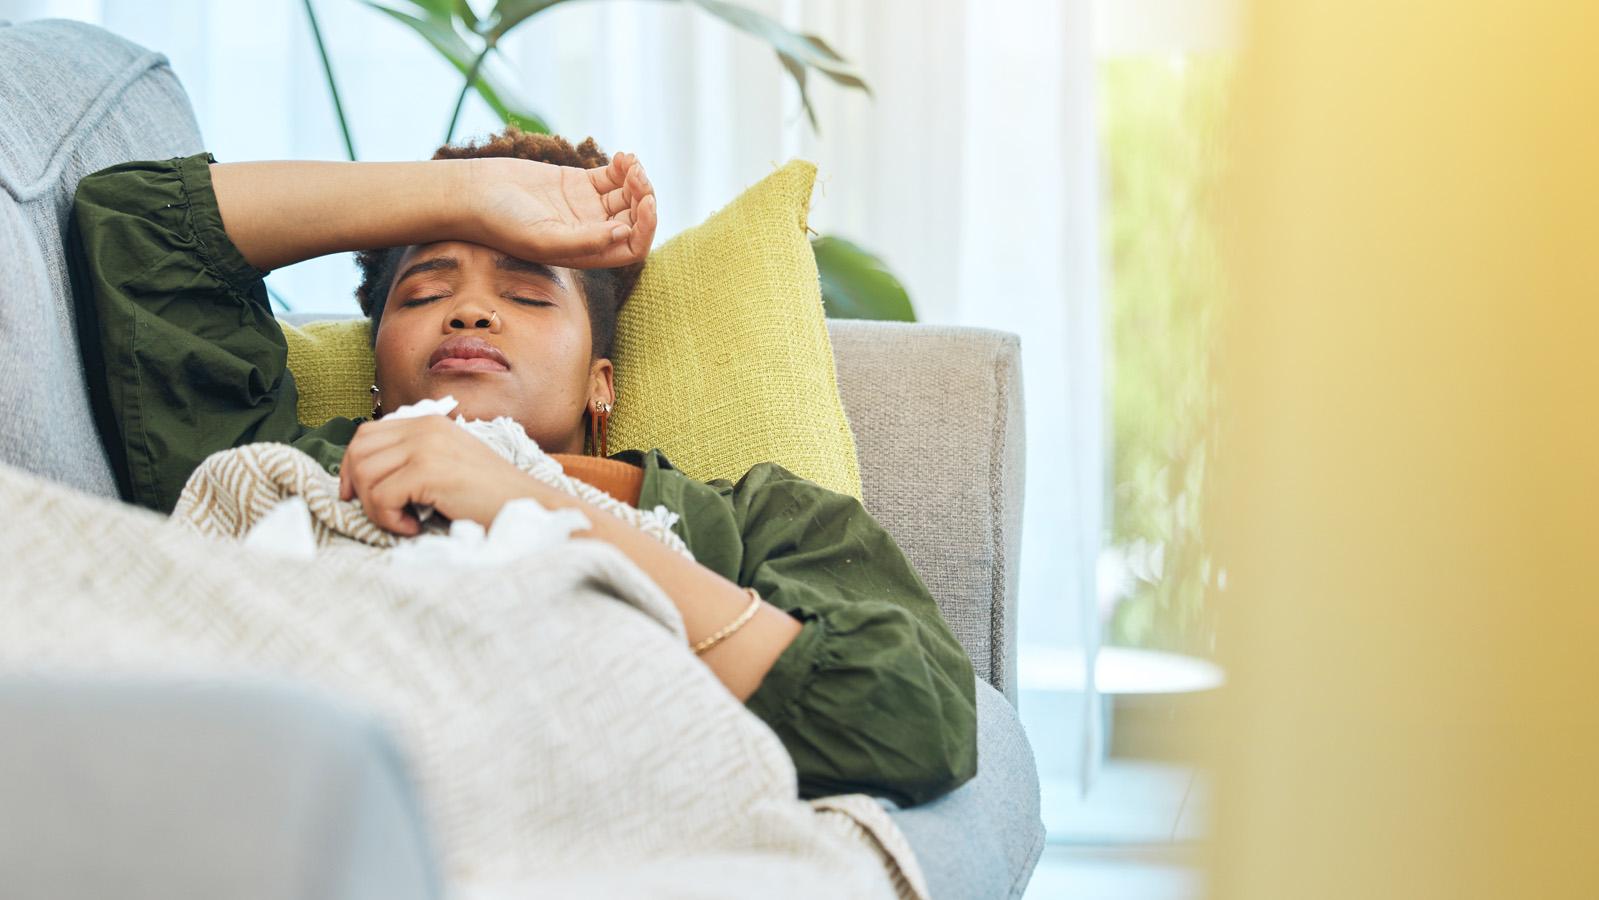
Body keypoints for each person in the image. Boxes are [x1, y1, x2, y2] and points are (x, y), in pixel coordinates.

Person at [65, 127, 976, 809]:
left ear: (601, 383)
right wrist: (467, 194)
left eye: (527, 292)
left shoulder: (760, 522)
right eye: (425, 292)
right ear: (378, 369)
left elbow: (911, 718)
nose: (468, 313)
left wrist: (529, 503)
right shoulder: (293, 467)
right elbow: (138, 226)